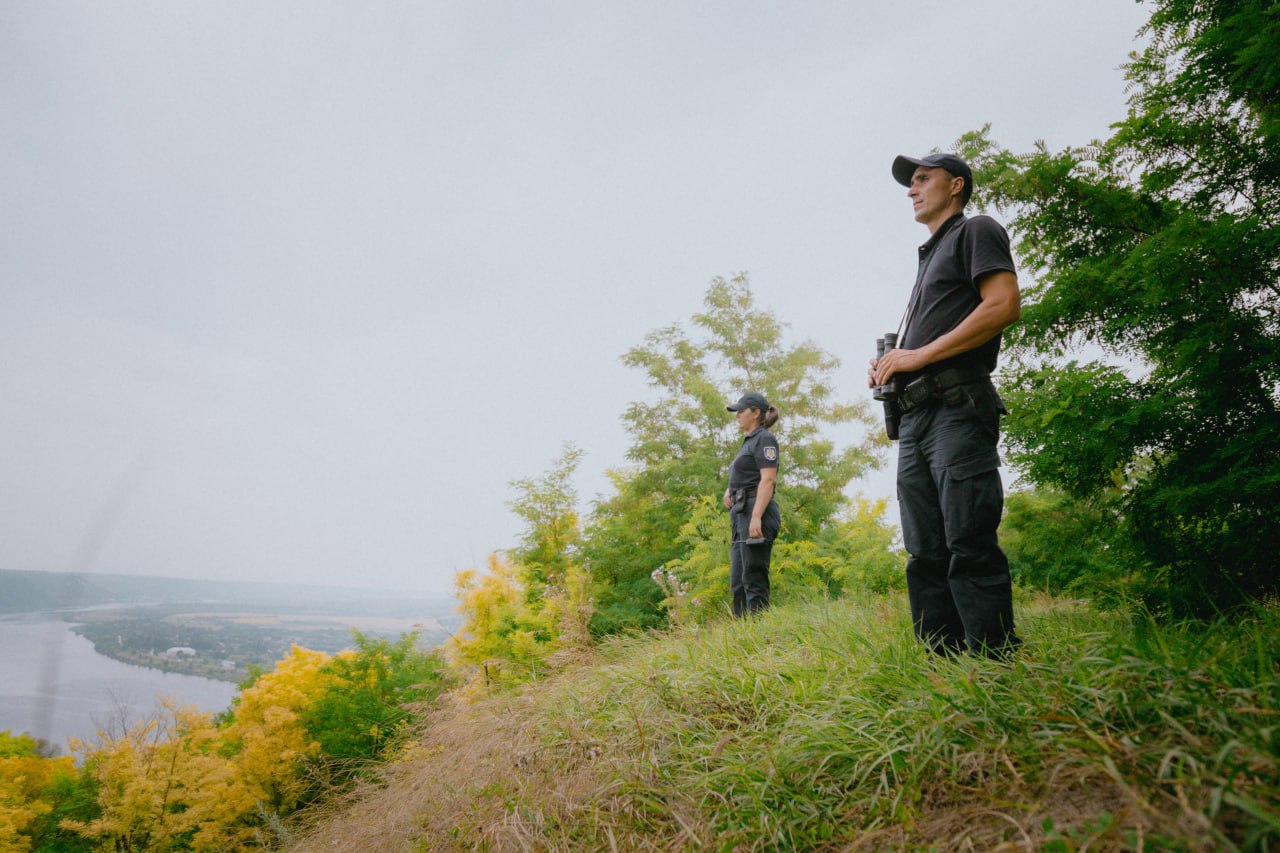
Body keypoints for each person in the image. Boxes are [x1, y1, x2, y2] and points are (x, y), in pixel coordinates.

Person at [870, 151, 1021, 657]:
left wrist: (919, 354)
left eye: (922, 179)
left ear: (955, 185)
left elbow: (1003, 305)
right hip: (915, 419)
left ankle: (994, 666)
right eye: (910, 183)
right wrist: (893, 364)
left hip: (958, 406)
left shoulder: (976, 230)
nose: (912, 190)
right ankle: (941, 667)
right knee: (924, 550)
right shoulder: (928, 256)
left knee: (968, 541)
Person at [722, 392, 781, 617]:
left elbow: (767, 480)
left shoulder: (765, 438)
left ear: (756, 412)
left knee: (753, 578)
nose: (737, 415)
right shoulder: (749, 440)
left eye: (741, 410)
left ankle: (761, 639)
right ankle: (743, 639)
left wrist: (756, 516)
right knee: (738, 583)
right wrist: (731, 490)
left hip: (757, 512)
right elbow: (748, 473)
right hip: (740, 513)